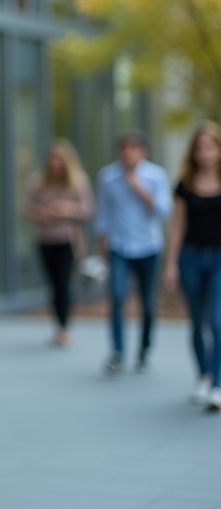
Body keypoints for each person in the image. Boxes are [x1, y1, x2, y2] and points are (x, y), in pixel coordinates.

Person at [95, 130, 171, 375]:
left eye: (133, 148)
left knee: (148, 304)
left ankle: (144, 348)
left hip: (149, 247)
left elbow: (162, 211)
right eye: (123, 148)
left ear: (143, 151)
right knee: (117, 298)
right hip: (119, 247)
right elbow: (103, 216)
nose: (127, 153)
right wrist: (101, 250)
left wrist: (138, 187)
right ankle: (117, 352)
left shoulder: (156, 175)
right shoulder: (107, 177)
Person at [162, 122, 221, 411]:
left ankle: (218, 383)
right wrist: (170, 264)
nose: (205, 153)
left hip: (220, 258)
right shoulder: (185, 183)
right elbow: (176, 227)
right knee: (198, 322)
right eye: (200, 148)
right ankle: (203, 376)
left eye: (210, 147)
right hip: (191, 258)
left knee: (218, 321)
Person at [26, 139, 94, 348]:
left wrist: (66, 210)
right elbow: (27, 207)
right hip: (45, 239)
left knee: (63, 284)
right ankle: (58, 323)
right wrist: (42, 214)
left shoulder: (78, 182)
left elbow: (88, 211)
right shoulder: (38, 182)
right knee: (53, 284)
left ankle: (63, 327)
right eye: (51, 159)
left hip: (67, 240)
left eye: (58, 160)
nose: (54, 164)